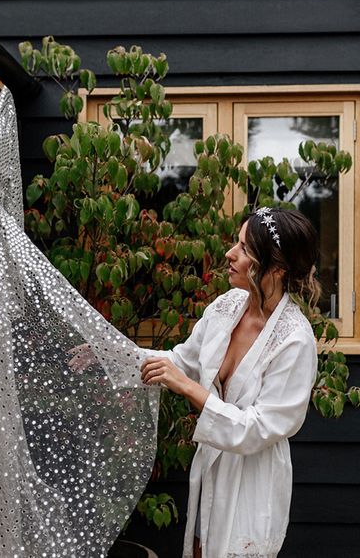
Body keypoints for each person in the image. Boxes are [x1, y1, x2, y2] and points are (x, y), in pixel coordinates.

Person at [139, 206, 319, 558]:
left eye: (244, 249)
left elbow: (259, 428)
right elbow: (179, 362)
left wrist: (190, 388)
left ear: (277, 269)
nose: (229, 254)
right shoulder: (225, 307)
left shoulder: (295, 340)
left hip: (253, 481)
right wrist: (107, 353)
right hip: (211, 471)